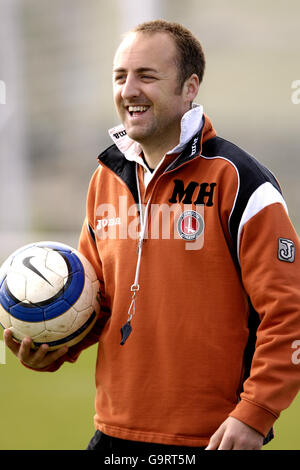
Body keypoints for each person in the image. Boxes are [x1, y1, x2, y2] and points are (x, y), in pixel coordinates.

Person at [4, 20, 300, 453]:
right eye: (120, 76)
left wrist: (255, 414)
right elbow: (97, 299)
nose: (129, 90)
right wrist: (54, 343)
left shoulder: (240, 181)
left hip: (214, 437)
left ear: (189, 87)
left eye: (147, 76)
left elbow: (288, 312)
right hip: (113, 432)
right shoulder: (106, 177)